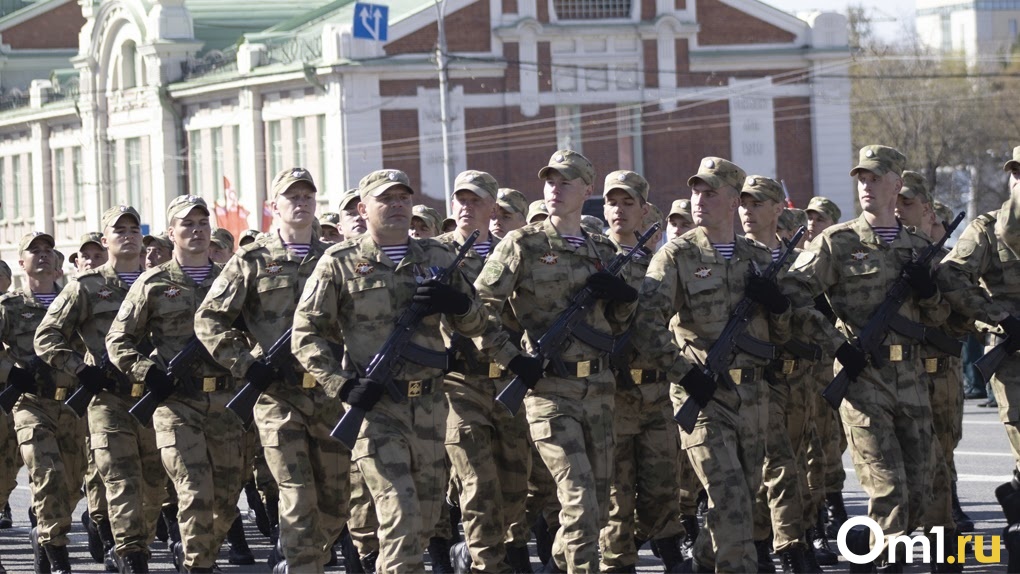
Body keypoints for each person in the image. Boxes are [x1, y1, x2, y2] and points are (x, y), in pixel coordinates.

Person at [292, 168, 489, 572]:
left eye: (403, 197)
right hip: (377, 410)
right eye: (386, 198)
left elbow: (478, 324)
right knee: (400, 516)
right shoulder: (340, 262)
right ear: (364, 209)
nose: (397, 204)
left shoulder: (437, 257)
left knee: (424, 523)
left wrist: (457, 304)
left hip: (432, 408)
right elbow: (305, 334)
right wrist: (342, 386)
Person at [784, 145, 949, 570]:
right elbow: (790, 295)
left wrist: (929, 292)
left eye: (876, 177)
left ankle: (864, 555)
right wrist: (836, 343)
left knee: (919, 489)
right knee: (888, 488)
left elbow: (942, 315)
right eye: (862, 177)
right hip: (862, 378)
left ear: (897, 183)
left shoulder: (917, 245)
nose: (866, 185)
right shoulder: (838, 242)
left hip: (911, 377)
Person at [473, 150, 637, 572]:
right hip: (548, 389)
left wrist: (622, 299)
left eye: (566, 181)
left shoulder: (602, 247)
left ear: (587, 189)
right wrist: (512, 359)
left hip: (599, 389)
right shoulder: (523, 243)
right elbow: (479, 308)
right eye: (550, 181)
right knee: (579, 500)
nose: (555, 189)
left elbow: (618, 325)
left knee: (597, 508)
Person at [631, 158, 791, 573]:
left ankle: (703, 562)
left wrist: (779, 306)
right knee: (731, 497)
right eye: (696, 191)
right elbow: (648, 325)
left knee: (741, 501)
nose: (699, 200)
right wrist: (683, 372)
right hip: (703, 397)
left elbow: (789, 330)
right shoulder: (676, 255)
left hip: (753, 397)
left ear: (735, 200)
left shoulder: (759, 256)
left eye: (711, 192)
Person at [195, 167, 350, 574]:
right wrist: (246, 365)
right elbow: (209, 319)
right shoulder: (252, 260)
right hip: (278, 396)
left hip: (329, 394)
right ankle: (301, 564)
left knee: (336, 502)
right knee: (297, 496)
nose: (300, 203)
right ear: (273, 206)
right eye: (291, 196)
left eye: (307, 196)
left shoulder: (335, 259)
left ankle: (304, 558)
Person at [106, 195, 244, 573]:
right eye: (187, 224)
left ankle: (198, 556)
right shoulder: (153, 282)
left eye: (202, 223)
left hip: (227, 403)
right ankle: (198, 565)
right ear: (172, 233)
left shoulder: (230, 280)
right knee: (195, 493)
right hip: (177, 405)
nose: (196, 230)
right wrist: (147, 372)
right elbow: (118, 340)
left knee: (226, 502)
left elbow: (258, 330)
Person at [35, 205, 166, 573]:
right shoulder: (86, 287)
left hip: (154, 397)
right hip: (107, 399)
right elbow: (47, 336)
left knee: (155, 487)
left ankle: (133, 547)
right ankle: (130, 555)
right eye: (118, 229)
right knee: (121, 481)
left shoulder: (160, 283)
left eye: (133, 228)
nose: (127, 234)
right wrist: (80, 370)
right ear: (105, 239)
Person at [437, 170, 532, 573]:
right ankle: (484, 562)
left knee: (513, 487)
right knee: (476, 482)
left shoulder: (512, 251)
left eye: (475, 200)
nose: (466, 207)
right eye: (460, 199)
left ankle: (482, 551)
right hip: (459, 383)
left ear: (492, 208)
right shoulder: (432, 253)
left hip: (508, 380)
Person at [740, 176, 831, 573]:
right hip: (763, 379)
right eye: (743, 202)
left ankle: (804, 533)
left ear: (778, 209)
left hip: (804, 378)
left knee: (806, 464)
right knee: (775, 467)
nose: (748, 210)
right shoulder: (735, 258)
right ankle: (779, 547)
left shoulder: (801, 260)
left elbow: (821, 314)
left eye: (757, 203)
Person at [598, 170, 687, 572]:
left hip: (655, 393)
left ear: (645, 211)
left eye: (628, 202)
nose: (619, 210)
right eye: (612, 202)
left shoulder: (658, 264)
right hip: (612, 396)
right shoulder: (594, 258)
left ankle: (664, 549)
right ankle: (620, 563)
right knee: (618, 496)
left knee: (663, 489)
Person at [937, 144, 1020, 557]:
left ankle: (1016, 497)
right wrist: (998, 317)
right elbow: (951, 276)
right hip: (1013, 357)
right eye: (1016, 173)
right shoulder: (987, 228)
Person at [2, 232, 86, 574]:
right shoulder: (10, 307)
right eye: (33, 251)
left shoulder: (77, 302)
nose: (42, 255)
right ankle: (57, 556)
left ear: (58, 262)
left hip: (73, 404)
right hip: (30, 404)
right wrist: (11, 372)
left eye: (48, 250)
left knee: (71, 484)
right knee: (47, 476)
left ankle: (46, 531)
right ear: (21, 263)